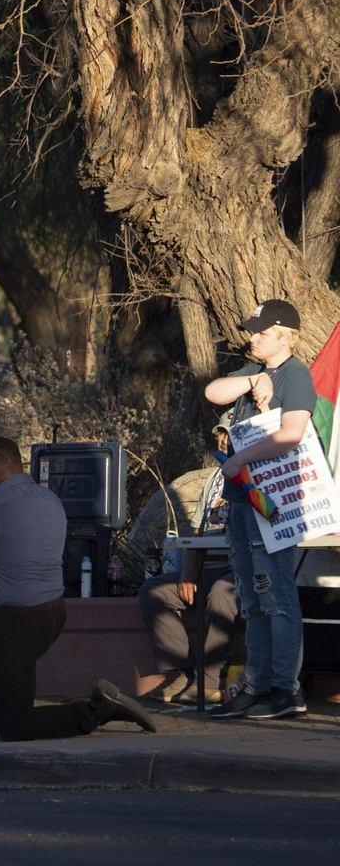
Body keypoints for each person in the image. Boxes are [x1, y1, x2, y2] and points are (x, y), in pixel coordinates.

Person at [0, 437, 156, 742]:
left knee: (15, 727)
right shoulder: (49, 499)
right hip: (52, 615)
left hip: (15, 625)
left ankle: (98, 710)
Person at [204, 299, 314, 720]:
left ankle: (285, 688)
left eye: (262, 332)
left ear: (285, 335)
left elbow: (292, 434)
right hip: (242, 502)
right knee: (251, 599)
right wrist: (251, 385)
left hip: (274, 504)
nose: (252, 337)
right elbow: (213, 391)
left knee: (276, 596)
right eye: (253, 330)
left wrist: (240, 459)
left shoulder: (296, 374)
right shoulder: (254, 372)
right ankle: (257, 685)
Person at [140, 412, 239, 705]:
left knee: (223, 593)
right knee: (154, 592)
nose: (222, 440)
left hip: (242, 569)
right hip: (208, 569)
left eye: (230, 434)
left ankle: (208, 683)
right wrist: (187, 574)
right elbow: (196, 532)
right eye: (220, 434)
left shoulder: (257, 474)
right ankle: (182, 673)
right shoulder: (213, 479)